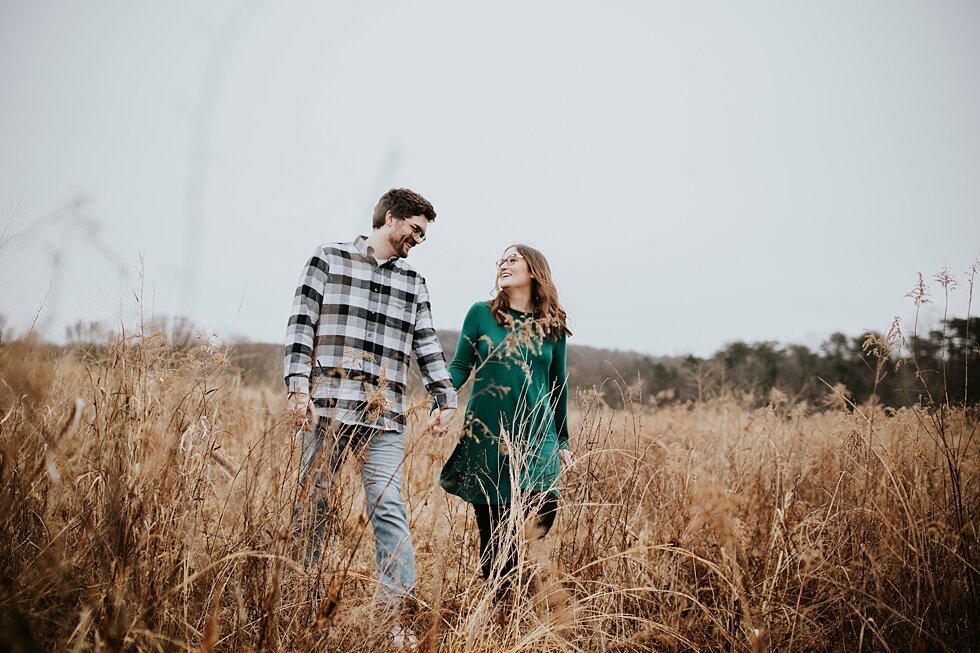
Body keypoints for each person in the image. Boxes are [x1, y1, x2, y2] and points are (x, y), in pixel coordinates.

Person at [284, 188, 457, 647]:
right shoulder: (328, 259)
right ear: (392, 218)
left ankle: (393, 619)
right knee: (314, 505)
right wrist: (298, 389)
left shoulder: (413, 283)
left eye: (423, 234)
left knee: (389, 509)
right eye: (415, 230)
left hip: (385, 419)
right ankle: (301, 601)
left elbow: (426, 343)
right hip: (327, 409)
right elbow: (301, 326)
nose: (418, 240)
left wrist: (446, 399)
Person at [438, 244, 573, 588]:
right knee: (494, 531)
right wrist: (441, 401)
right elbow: (459, 366)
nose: (503, 264)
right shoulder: (482, 314)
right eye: (501, 260)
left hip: (537, 435)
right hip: (487, 436)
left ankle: (515, 570)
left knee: (544, 512)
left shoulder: (552, 324)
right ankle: (501, 608)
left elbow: (559, 384)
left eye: (513, 259)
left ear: (534, 270)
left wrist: (563, 440)